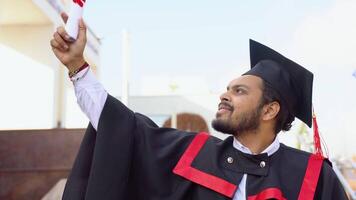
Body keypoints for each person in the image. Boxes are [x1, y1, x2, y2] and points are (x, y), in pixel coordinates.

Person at [50, 13, 349, 200]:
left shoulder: (313, 177)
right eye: (227, 88)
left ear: (269, 110)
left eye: (239, 91)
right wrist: (78, 66)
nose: (224, 95)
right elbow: (121, 127)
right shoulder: (194, 154)